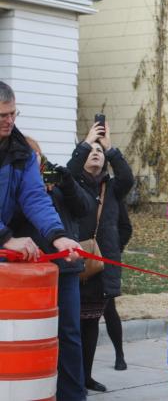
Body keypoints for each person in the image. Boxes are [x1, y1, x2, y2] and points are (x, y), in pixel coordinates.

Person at [9, 136, 91, 401]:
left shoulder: (57, 183)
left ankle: (73, 394)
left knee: (69, 333)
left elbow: (84, 207)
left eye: (37, 158)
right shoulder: (16, 187)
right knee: (30, 335)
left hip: (64, 268)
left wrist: (66, 183)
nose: (33, 163)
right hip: (30, 273)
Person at [67, 121, 134, 393]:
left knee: (92, 322)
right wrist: (85, 143)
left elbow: (128, 178)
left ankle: (86, 377)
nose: (95, 152)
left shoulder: (112, 188)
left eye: (99, 150)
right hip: (73, 263)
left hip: (100, 267)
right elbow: (67, 174)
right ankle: (70, 379)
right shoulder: (72, 184)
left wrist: (111, 149)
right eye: (90, 151)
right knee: (71, 325)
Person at [0, 80, 81, 261]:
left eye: (13, 113)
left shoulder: (23, 152)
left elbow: (34, 197)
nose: (10, 121)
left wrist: (58, 235)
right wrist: (5, 237)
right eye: (3, 115)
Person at [103, 199, 134, 371]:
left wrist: (115, 247)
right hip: (83, 255)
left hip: (107, 257)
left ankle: (119, 354)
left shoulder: (112, 192)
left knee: (109, 308)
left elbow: (126, 227)